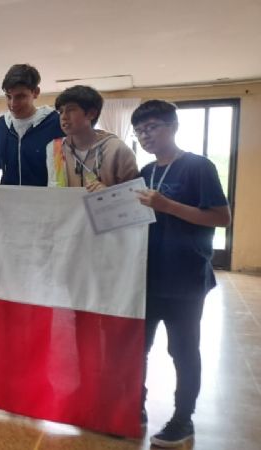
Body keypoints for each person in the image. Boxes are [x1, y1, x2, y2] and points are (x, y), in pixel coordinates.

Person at [132, 100, 231, 448]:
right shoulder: (145, 171)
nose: (146, 135)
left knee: (183, 350)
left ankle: (182, 419)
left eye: (153, 127)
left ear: (173, 127)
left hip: (186, 279)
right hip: (147, 277)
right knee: (137, 348)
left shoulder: (198, 167)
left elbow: (221, 217)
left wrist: (168, 206)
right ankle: (136, 408)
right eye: (140, 130)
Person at [49, 85, 139, 190]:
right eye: (61, 111)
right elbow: (53, 188)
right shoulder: (55, 148)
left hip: (108, 206)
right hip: (67, 206)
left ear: (91, 114)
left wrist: (108, 194)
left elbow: (135, 197)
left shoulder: (117, 149)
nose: (63, 117)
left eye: (71, 110)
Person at [0, 64, 65, 186]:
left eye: (20, 97)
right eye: (8, 97)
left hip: (46, 201)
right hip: (8, 201)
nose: (13, 104)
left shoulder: (56, 122)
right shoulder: (1, 125)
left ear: (36, 92)